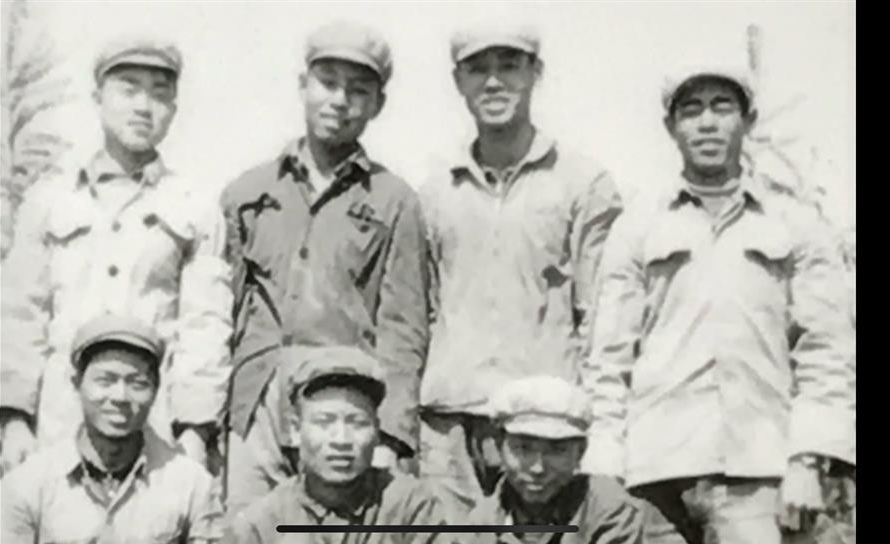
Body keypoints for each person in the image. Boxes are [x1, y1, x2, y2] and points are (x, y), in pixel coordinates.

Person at [586, 65, 856, 544]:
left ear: (748, 120)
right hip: (654, 474)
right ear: (671, 127)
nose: (707, 123)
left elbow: (827, 353)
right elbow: (609, 357)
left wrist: (807, 458)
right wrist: (604, 466)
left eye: (722, 107)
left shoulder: (794, 223)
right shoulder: (639, 226)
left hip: (757, 472)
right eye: (691, 110)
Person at [218, 22, 430, 514]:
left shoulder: (395, 201)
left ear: (377, 104)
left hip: (342, 409)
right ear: (303, 86)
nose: (339, 100)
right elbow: (222, 315)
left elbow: (404, 328)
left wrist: (391, 435)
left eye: (358, 91)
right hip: (257, 407)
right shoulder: (247, 193)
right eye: (327, 83)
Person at [0, 33, 233, 476]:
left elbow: (205, 326)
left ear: (174, 109)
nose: (144, 107)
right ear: (99, 98)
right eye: (128, 90)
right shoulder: (50, 199)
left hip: (153, 427)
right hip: (58, 422)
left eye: (159, 94)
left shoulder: (194, 207)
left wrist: (194, 431)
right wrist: (13, 419)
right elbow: (19, 314)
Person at [416, 23, 624, 517]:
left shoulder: (583, 184)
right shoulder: (435, 191)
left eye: (509, 66)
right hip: (450, 425)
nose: (493, 82)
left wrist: (599, 430)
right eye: (478, 69)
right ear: (458, 81)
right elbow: (422, 310)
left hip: (543, 426)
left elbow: (601, 320)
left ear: (536, 73)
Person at [0, 314, 223, 543]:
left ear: (155, 391)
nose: (120, 397)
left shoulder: (192, 486)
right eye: (105, 381)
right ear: (76, 383)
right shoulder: (28, 486)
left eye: (137, 383)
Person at [224, 346, 445, 543]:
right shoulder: (261, 528)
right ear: (295, 430)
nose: (341, 439)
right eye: (324, 422)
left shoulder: (412, 509)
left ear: (377, 431)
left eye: (357, 422)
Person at [462, 375, 644, 544]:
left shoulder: (608, 509)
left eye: (557, 450)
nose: (538, 468)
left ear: (580, 452)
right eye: (524, 449)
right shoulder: (481, 523)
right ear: (500, 446)